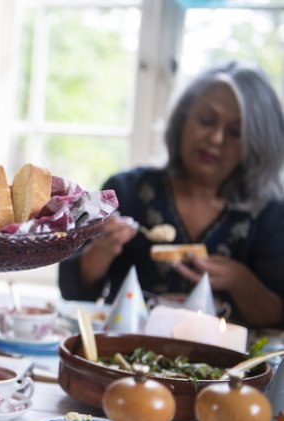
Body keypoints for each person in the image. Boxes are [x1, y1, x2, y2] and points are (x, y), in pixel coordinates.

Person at [58, 60, 284, 329]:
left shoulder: (270, 213)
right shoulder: (124, 190)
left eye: (235, 133)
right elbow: (72, 291)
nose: (215, 138)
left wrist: (241, 282)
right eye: (206, 121)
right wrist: (101, 250)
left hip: (225, 369)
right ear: (183, 119)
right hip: (124, 360)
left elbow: (277, 319)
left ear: (256, 144)